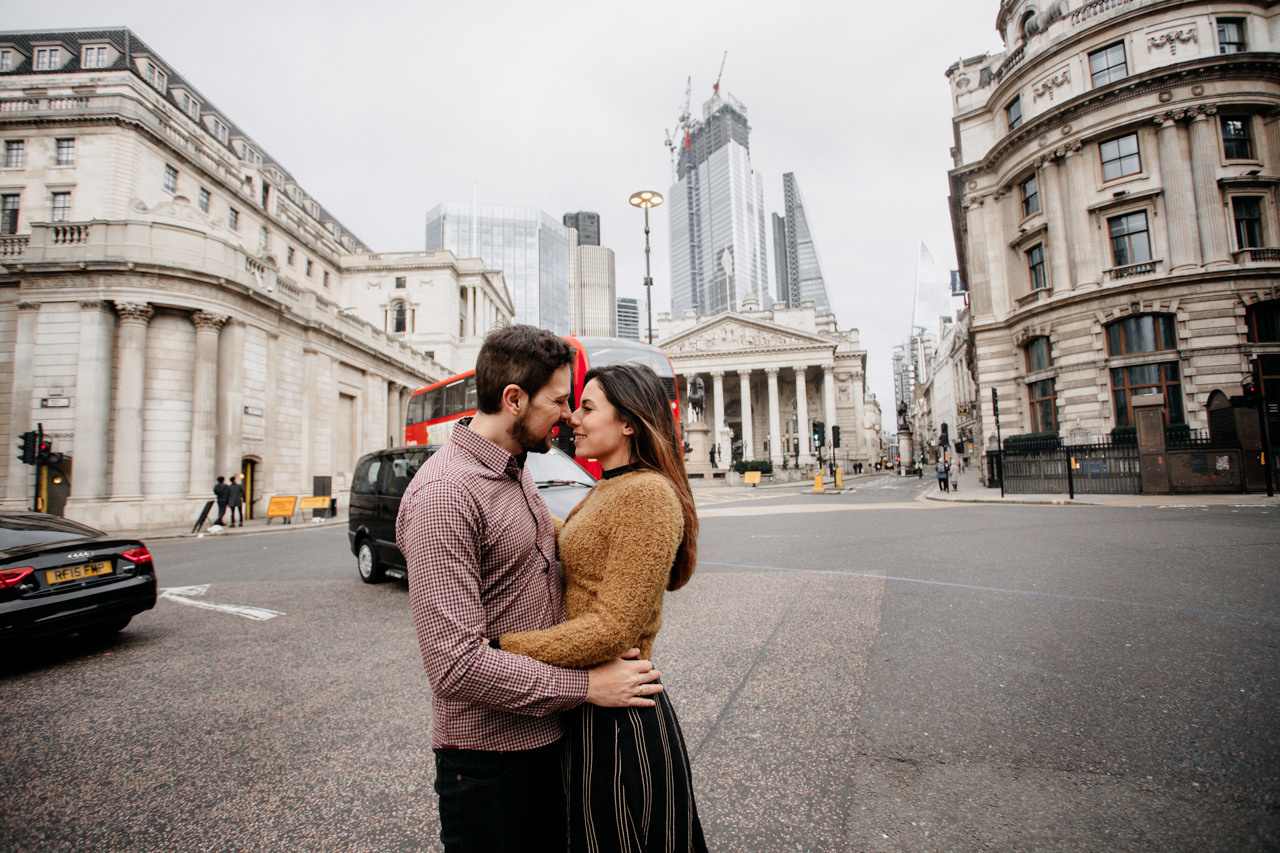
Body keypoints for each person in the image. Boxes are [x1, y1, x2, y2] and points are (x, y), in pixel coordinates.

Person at [396, 325, 664, 853]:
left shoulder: (516, 468)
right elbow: (454, 666)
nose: (568, 415)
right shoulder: (444, 495)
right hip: (490, 758)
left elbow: (566, 550)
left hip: (551, 737)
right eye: (559, 401)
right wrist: (586, 687)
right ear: (514, 399)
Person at [499, 363, 708, 852]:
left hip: (620, 719)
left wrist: (501, 647)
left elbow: (612, 628)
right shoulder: (612, 486)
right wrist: (509, 496)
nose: (572, 418)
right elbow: (573, 541)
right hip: (596, 701)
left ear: (629, 423)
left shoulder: (647, 494)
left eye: (588, 408)